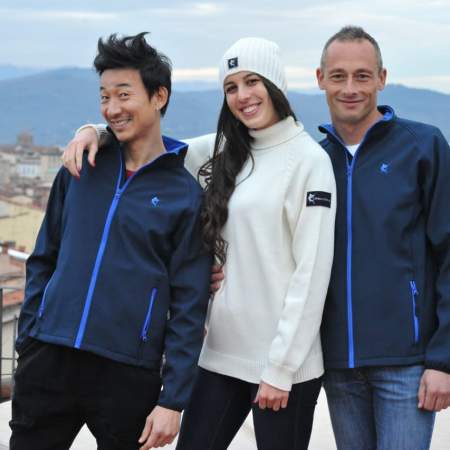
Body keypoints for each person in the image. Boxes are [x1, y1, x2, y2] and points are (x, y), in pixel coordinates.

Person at [62, 37, 336, 449]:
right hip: (221, 353)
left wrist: (281, 369)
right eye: (231, 87)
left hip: (283, 367)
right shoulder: (221, 150)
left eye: (252, 82)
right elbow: (151, 147)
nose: (242, 96)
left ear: (274, 84)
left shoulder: (310, 162)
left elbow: (311, 274)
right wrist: (95, 131)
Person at [11, 32, 211, 450]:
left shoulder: (185, 196)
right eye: (104, 97)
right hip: (49, 357)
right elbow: (44, 257)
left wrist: (173, 399)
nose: (112, 108)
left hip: (128, 373)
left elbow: (189, 304)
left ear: (159, 96)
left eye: (124, 94)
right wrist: (29, 337)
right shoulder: (80, 167)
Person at [316, 26, 450, 450]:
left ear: (382, 78)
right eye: (338, 76)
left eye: (362, 75)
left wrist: (443, 359)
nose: (350, 88)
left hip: (407, 364)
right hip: (338, 366)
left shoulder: (423, 146)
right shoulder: (314, 161)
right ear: (320, 79)